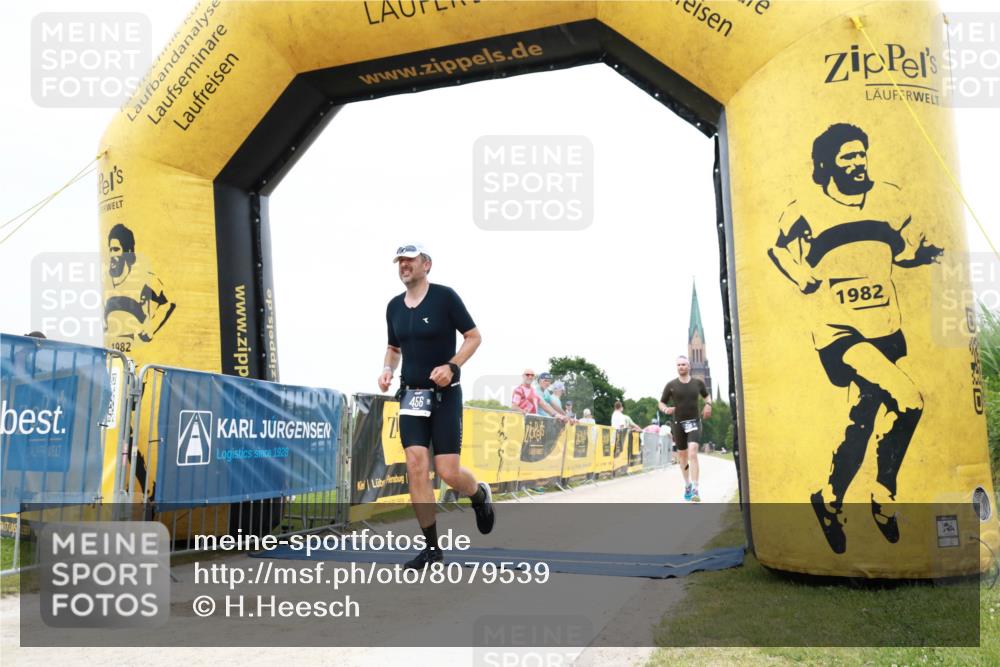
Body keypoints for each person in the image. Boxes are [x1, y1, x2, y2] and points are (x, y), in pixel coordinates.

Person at [768, 123, 941, 554]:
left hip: (886, 327)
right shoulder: (806, 207)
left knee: (859, 425)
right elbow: (779, 248)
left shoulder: (889, 198)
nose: (858, 162)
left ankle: (827, 500)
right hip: (839, 331)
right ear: (827, 164)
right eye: (847, 156)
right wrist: (801, 275)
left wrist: (923, 255)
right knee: (910, 399)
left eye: (861, 153)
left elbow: (900, 253)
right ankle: (883, 497)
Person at [377, 243, 495, 569]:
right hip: (412, 395)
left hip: (445, 396)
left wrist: (452, 366)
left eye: (410, 260)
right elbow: (392, 346)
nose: (404, 266)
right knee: (416, 463)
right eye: (400, 261)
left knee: (447, 471)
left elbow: (473, 336)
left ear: (426, 264)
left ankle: (478, 494)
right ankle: (432, 548)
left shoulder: (445, 297)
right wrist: (388, 368)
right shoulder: (393, 307)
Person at [104, 223, 175, 348]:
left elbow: (168, 303)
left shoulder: (143, 279)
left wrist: (151, 327)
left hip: (141, 357)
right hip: (116, 359)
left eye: (116, 249)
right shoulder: (106, 284)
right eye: (110, 250)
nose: (111, 255)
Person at [659, 357, 711, 502]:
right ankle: (687, 485)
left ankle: (695, 489)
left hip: (694, 421)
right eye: (679, 365)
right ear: (677, 367)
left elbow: (707, 397)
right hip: (678, 423)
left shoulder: (698, 383)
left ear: (689, 366)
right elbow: (661, 402)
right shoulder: (671, 385)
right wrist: (665, 409)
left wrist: (708, 405)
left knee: (693, 452)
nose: (681, 367)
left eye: (683, 364)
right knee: (682, 455)